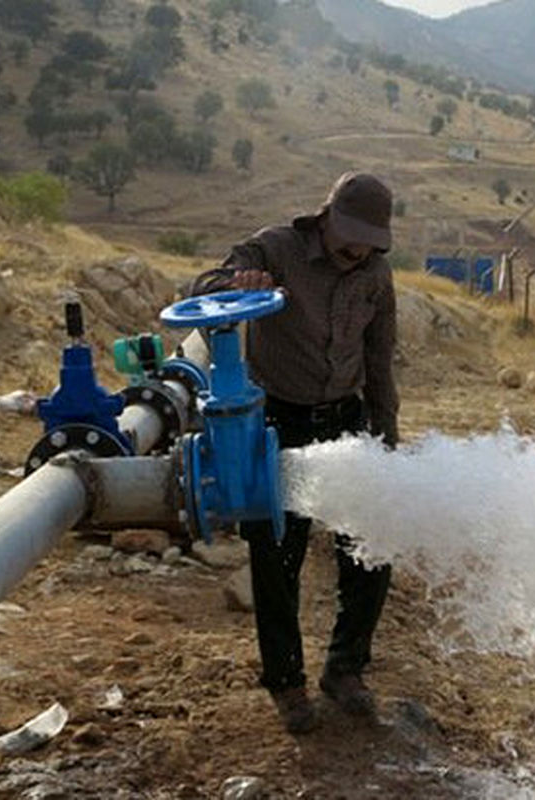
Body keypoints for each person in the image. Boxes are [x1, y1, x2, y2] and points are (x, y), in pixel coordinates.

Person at [188, 172, 399, 734]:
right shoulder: (276, 248)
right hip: (279, 422)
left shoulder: (376, 275)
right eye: (351, 235)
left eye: (369, 242)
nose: (357, 250)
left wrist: (387, 437)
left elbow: (380, 360)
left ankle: (346, 669)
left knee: (371, 549)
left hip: (346, 421)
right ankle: (286, 685)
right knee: (278, 559)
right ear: (326, 215)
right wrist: (238, 282)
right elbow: (203, 290)